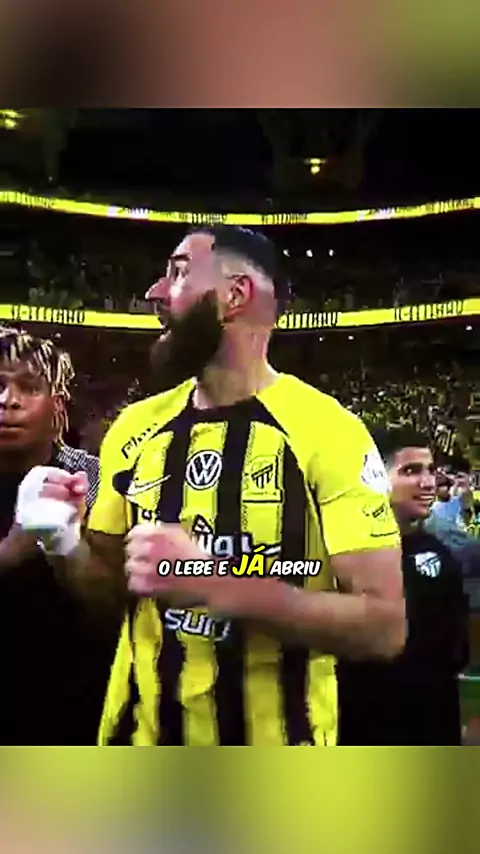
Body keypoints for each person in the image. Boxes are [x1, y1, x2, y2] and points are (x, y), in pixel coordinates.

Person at [29, 226, 405, 746]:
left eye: (179, 273)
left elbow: (384, 627)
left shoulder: (329, 433)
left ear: (234, 295)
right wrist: (63, 541)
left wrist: (215, 584)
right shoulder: (135, 428)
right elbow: (112, 593)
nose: (155, 292)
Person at [0, 325, 108, 745]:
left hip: (76, 712)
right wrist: (11, 551)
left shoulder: (96, 479)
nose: (8, 401)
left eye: (28, 388)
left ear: (57, 406)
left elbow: (114, 611)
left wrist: (67, 544)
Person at [337, 426, 469, 745]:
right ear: (372, 476)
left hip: (431, 728)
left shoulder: (442, 556)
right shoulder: (339, 555)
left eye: (431, 470)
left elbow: (455, 654)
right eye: (411, 471)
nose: (428, 482)